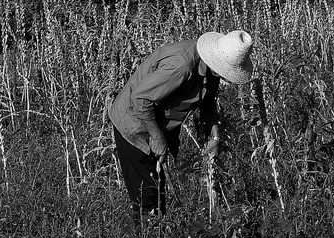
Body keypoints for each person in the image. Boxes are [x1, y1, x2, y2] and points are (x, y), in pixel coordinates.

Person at [108, 30, 254, 225]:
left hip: (157, 124)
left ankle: (159, 236)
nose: (226, 78)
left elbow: (208, 101)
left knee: (158, 193)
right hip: (133, 124)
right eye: (226, 70)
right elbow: (141, 100)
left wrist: (215, 136)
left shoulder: (211, 68)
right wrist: (158, 137)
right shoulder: (181, 66)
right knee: (146, 198)